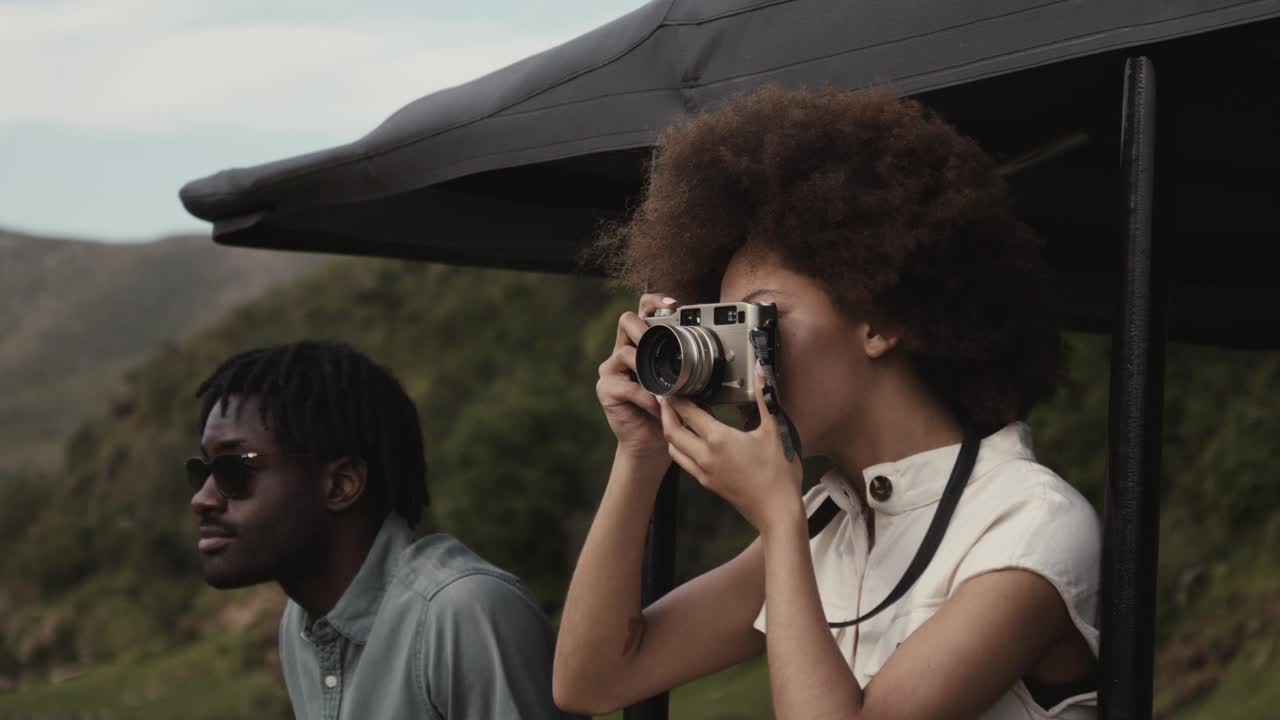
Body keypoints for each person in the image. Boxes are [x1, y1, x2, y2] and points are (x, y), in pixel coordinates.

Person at [554, 86, 1102, 719]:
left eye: (763, 317)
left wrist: (780, 520)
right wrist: (640, 453)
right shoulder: (831, 523)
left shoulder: (1027, 524)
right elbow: (592, 681)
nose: (745, 357)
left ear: (880, 321)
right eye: (729, 326)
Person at [188, 340, 570, 720]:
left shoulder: (463, 614)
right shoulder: (301, 624)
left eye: (232, 471)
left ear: (340, 485)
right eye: (202, 471)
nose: (202, 499)